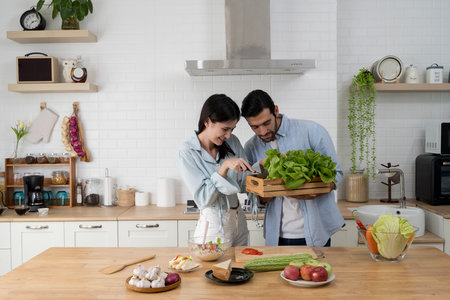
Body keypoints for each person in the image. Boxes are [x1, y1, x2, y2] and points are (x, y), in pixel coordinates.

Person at [241, 89, 344, 247]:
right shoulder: (251, 147)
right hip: (276, 235)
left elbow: (336, 174)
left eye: (266, 123)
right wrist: (266, 191)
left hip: (316, 232)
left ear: (276, 110)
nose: (262, 131)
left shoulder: (312, 131)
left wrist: (317, 188)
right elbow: (255, 196)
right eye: (255, 127)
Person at [177, 94, 254, 246]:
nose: (228, 135)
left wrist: (262, 167)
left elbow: (244, 183)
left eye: (232, 129)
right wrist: (223, 168)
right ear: (207, 121)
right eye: (225, 129)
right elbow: (203, 199)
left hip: (238, 220)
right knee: (213, 270)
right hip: (213, 225)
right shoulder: (188, 152)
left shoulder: (232, 142)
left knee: (240, 268)